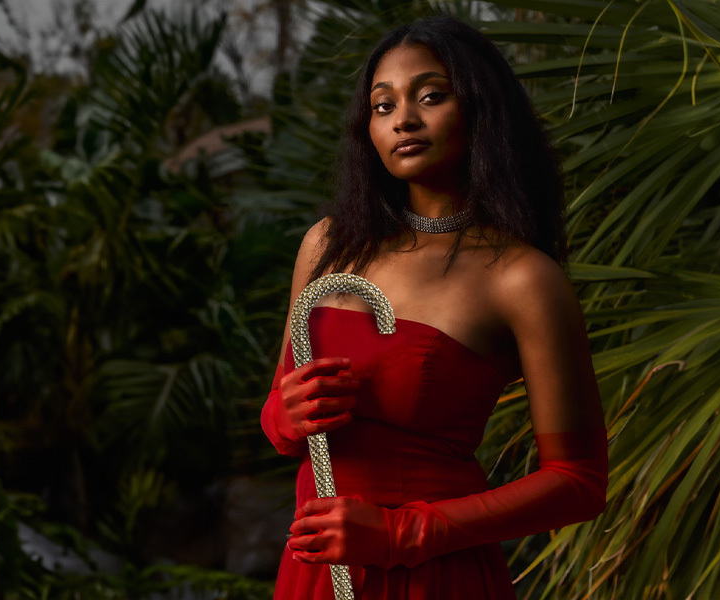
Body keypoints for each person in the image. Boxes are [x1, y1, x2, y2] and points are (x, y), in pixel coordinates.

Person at [260, 15, 608, 599]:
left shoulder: (522, 278)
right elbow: (279, 416)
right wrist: (286, 415)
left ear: (479, 108)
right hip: (318, 565)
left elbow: (578, 482)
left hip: (435, 572)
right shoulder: (329, 243)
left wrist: (405, 532)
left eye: (430, 96)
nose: (404, 120)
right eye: (382, 105)